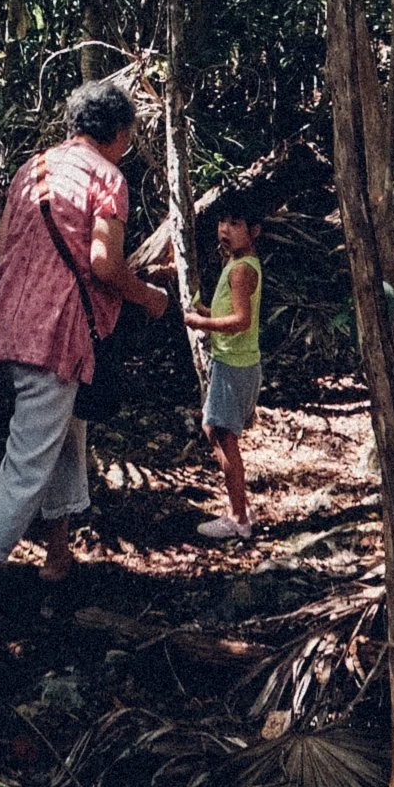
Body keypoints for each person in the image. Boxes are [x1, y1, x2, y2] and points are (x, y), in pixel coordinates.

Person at [0, 79, 170, 635]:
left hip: (15, 324)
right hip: (59, 334)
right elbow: (105, 264)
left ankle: (58, 557)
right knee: (26, 464)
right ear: (118, 132)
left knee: (68, 435)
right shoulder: (107, 177)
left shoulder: (32, 169)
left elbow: (3, 249)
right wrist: (148, 297)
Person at [181, 192, 262, 543]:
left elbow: (242, 320)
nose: (225, 230)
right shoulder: (239, 263)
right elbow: (236, 313)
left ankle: (239, 519)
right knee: (217, 431)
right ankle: (240, 506)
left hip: (234, 364)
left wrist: (202, 324)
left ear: (254, 231)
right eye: (222, 222)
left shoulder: (241, 270)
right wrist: (208, 313)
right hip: (235, 362)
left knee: (220, 434)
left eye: (235, 223)